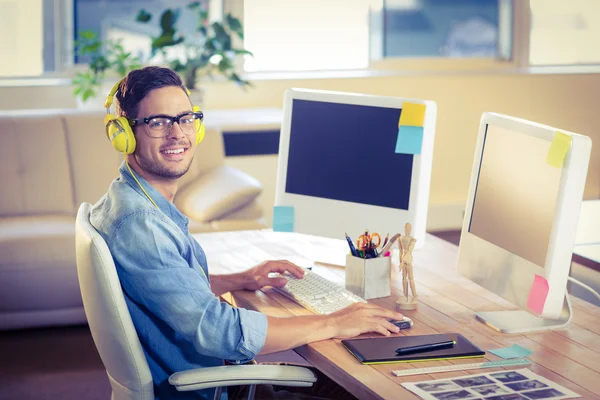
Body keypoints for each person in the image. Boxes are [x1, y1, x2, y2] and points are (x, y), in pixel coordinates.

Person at [91, 66, 404, 400]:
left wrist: (239, 279)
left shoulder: (124, 200)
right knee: (369, 387)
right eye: (158, 122)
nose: (177, 134)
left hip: (212, 377)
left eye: (184, 119)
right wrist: (333, 322)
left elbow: (165, 286)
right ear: (123, 133)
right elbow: (218, 331)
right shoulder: (141, 224)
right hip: (210, 390)